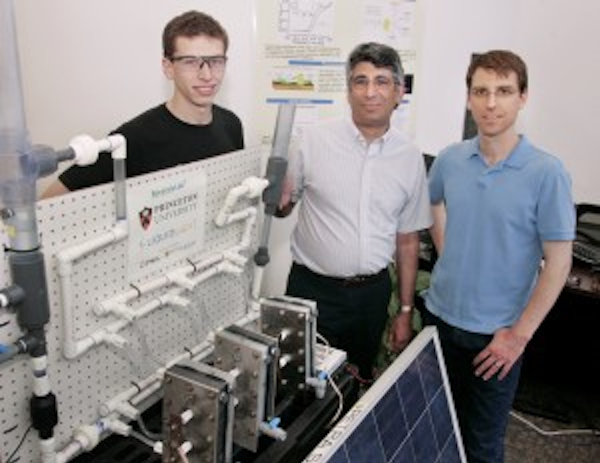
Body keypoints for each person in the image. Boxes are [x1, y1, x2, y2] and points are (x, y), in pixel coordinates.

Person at [423, 50, 575, 463]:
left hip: (495, 339)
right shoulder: (451, 159)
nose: (491, 103)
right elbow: (432, 203)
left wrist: (518, 336)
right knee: (436, 429)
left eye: (504, 91)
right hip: (438, 319)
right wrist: (448, 252)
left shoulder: (547, 173)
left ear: (523, 97)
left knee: (482, 448)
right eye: (481, 91)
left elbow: (558, 264)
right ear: (469, 98)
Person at [277, 42, 432, 383]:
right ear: (348, 91)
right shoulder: (311, 140)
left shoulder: (409, 159)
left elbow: (407, 241)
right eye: (360, 81)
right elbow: (284, 207)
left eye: (381, 81)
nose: (370, 92)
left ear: (399, 92)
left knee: (355, 383)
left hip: (371, 297)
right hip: (312, 291)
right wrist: (278, 200)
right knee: (298, 386)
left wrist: (405, 311)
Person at [42, 10, 243, 197]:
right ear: (168, 67)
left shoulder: (231, 124)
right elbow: (49, 202)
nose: (207, 75)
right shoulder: (134, 138)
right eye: (190, 62)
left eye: (216, 61)